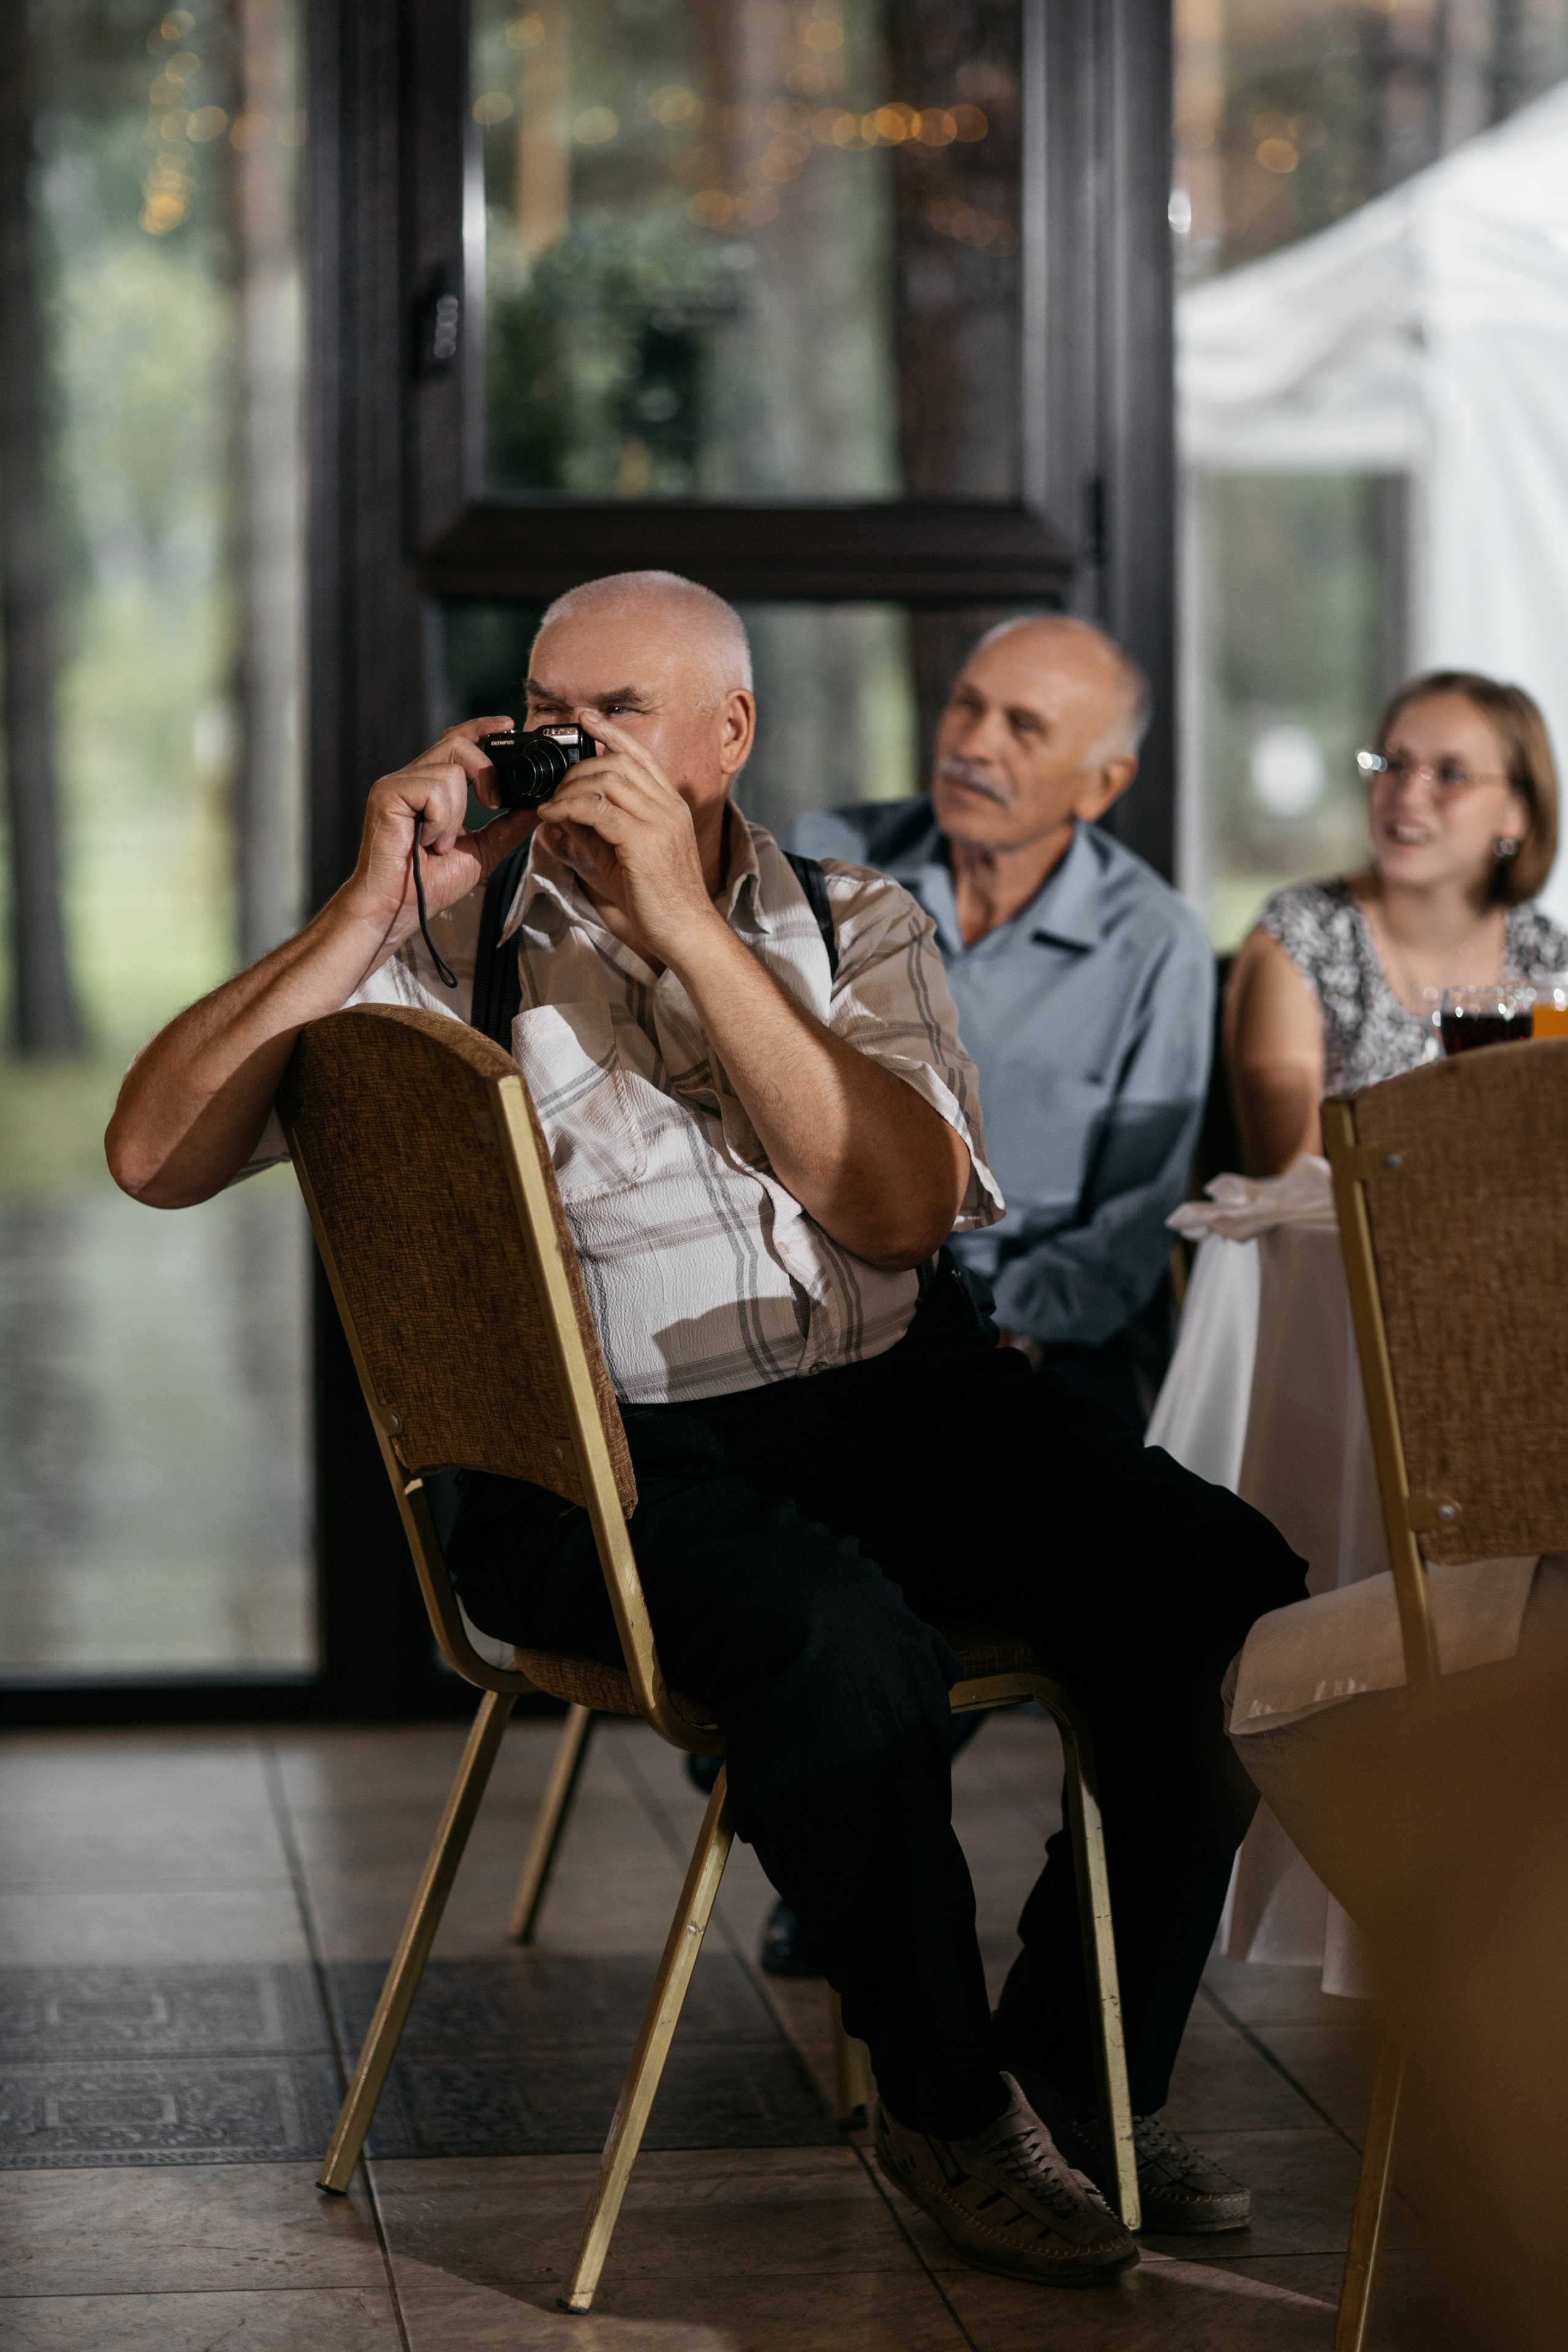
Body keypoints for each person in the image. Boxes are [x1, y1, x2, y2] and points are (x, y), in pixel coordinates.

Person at [106, 570, 1306, 2285]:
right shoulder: (449, 942)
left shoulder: (853, 914)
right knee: (843, 1650)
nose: (568, 745)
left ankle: (1074, 2084)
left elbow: (894, 1213)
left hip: (908, 1390)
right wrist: (369, 902)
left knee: (1225, 1580)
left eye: (622, 716)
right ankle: (954, 2114)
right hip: (611, 1453)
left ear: (729, 735)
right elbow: (153, 1157)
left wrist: (689, 927)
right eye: (551, 708)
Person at [790, 616, 1214, 1436]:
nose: (974, 745)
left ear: (1102, 784)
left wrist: (988, 1326)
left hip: (1037, 1343)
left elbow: (1130, 1226)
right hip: (816, 1311)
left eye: (1023, 727)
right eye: (968, 707)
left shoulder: (1156, 944)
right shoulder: (826, 861)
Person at [1225, 669, 1568, 1175]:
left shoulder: (1550, 959)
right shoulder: (1303, 936)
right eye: (1393, 765)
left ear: (1517, 814)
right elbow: (1288, 1183)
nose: (1406, 794)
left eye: (1450, 775)